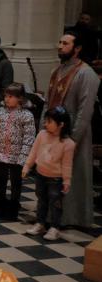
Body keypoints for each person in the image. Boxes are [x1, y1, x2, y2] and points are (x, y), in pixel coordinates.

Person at [46, 32, 100, 228]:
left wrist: (73, 138)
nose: (60, 46)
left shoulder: (86, 74)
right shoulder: (57, 71)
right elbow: (48, 102)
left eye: (65, 43)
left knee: (73, 176)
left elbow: (86, 110)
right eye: (59, 42)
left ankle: (74, 218)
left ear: (77, 49)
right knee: (50, 177)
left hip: (74, 135)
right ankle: (51, 216)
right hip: (53, 133)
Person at [0, 83, 36, 219]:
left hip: (16, 156)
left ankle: (13, 209)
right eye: (6, 96)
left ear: (20, 98)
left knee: (16, 183)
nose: (7, 99)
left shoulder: (26, 115)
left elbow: (28, 138)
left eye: (11, 96)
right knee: (0, 182)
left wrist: (23, 158)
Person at [25, 107, 76, 241]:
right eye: (45, 121)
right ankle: (40, 223)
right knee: (41, 200)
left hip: (56, 179)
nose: (45, 124)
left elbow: (67, 164)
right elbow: (34, 151)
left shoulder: (68, 143)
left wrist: (66, 180)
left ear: (61, 124)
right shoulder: (42, 134)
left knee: (55, 203)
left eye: (49, 121)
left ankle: (55, 227)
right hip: (40, 174)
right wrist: (27, 166)